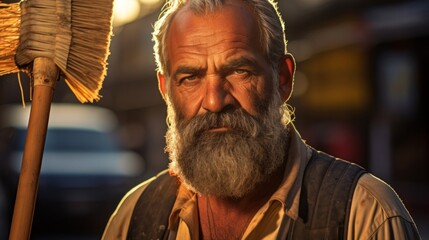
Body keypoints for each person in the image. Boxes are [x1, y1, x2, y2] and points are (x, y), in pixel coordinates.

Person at [102, 0, 421, 239]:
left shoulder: (365, 217)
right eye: (190, 78)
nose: (214, 101)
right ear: (165, 90)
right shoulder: (134, 218)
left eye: (239, 71)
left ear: (282, 79)